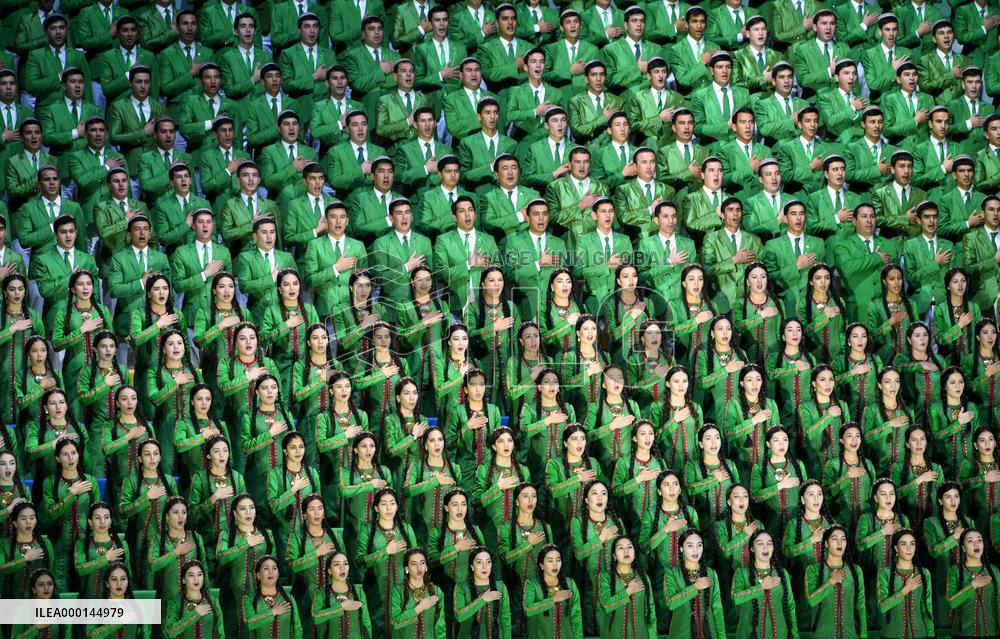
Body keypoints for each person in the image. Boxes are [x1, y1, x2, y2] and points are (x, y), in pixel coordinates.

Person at [357, 488, 417, 638]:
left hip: (403, 590)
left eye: (392, 503)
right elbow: (360, 560)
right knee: (378, 628)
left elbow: (416, 559)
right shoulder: (367, 529)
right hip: (376, 590)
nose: (389, 508)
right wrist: (385, 552)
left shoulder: (406, 529)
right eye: (384, 504)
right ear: (376, 508)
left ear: (397, 506)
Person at [41, 439, 99, 591]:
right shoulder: (49, 482)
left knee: (87, 583)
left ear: (79, 455)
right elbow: (51, 514)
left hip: (86, 540)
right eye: (65, 454)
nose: (70, 458)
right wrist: (72, 494)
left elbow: (98, 513)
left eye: (73, 453)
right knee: (60, 580)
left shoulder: (90, 481)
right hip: (60, 540)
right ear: (57, 458)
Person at [731, 530, 798, 639]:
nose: (765, 547)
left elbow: (791, 606)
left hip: (780, 634)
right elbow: (735, 598)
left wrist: (795, 635)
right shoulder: (742, 573)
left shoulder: (782, 573)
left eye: (769, 543)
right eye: (760, 544)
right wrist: (761, 587)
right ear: (752, 549)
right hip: (749, 634)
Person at [804, 525, 867, 639]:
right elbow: (811, 601)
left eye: (843, 539)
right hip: (822, 634)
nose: (840, 543)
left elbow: (861, 605)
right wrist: (831, 582)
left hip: (850, 634)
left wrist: (863, 635)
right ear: (826, 544)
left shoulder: (856, 570)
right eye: (835, 539)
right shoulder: (813, 570)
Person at [663, 529, 725, 639]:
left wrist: (722, 637)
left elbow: (717, 609)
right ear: (681, 548)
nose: (696, 550)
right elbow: (671, 603)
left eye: (699, 545)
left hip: (709, 633)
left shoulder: (711, 573)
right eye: (690, 546)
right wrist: (695, 587)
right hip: (681, 634)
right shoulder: (672, 572)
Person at [879, 529, 934, 639]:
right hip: (892, 634)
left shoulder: (924, 573)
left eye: (912, 544)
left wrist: (931, 634)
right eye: (904, 544)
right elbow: (882, 607)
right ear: (896, 548)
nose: (909, 548)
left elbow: (927, 608)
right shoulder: (885, 572)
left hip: (920, 633)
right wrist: (906, 589)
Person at [523, 545, 584, 639]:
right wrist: (553, 599)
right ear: (541, 564)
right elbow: (528, 610)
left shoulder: (570, 584)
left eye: (558, 560)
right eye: (550, 561)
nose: (555, 564)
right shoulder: (532, 584)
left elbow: (576, 617)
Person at [312, 551, 373, 639]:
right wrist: (341, 608)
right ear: (329, 570)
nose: (342, 568)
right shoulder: (321, 593)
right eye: (337, 564)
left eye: (345, 564)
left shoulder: (358, 591)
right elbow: (315, 617)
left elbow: (366, 623)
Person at [241, 555, 303, 639]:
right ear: (258, 575)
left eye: (274, 568)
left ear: (278, 574)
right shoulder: (248, 598)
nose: (271, 571)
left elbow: (297, 629)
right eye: (266, 568)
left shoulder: (288, 598)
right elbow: (249, 623)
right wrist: (273, 612)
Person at [162, 560, 225, 639]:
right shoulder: (175, 602)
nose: (196, 579)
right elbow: (169, 632)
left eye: (199, 574)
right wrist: (195, 614)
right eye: (191, 575)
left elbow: (220, 633)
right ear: (183, 580)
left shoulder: (213, 601)